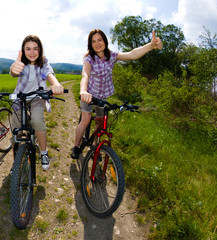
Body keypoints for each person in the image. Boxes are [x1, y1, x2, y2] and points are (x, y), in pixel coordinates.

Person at [71, 29, 163, 159]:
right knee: (85, 120)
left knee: (100, 123)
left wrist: (150, 46)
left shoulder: (112, 56)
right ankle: (75, 147)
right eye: (93, 41)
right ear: (90, 44)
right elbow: (85, 74)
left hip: (102, 96)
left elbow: (131, 54)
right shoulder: (89, 58)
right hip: (89, 94)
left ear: (105, 41)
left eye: (100, 40)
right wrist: (83, 91)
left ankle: (95, 148)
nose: (97, 43)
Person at [10, 35, 64, 170]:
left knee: (37, 120)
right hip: (20, 98)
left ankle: (44, 153)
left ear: (40, 50)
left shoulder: (43, 62)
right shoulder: (20, 63)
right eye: (28, 49)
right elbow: (13, 71)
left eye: (35, 49)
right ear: (23, 50)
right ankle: (15, 160)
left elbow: (49, 73)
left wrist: (56, 84)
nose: (32, 52)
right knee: (15, 128)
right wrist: (13, 69)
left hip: (37, 97)